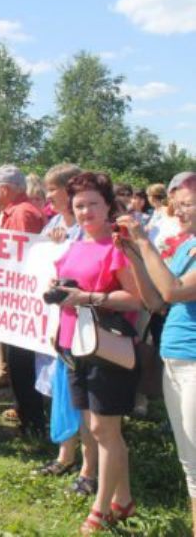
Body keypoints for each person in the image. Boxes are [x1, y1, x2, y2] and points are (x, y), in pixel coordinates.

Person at [49, 171, 143, 533]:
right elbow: (66, 288)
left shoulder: (117, 247)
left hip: (108, 347)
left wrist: (86, 297)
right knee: (96, 428)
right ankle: (124, 499)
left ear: (108, 206)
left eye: (92, 204)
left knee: (105, 428)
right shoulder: (74, 244)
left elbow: (134, 299)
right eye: (79, 205)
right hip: (75, 344)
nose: (85, 211)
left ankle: (101, 509)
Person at [117, 174, 196, 535]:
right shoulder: (187, 247)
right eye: (177, 204)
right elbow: (155, 301)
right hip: (175, 361)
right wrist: (133, 255)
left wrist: (143, 240)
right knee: (189, 464)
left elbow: (174, 289)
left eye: (189, 204)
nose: (181, 211)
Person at [32, 164, 100, 497]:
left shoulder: (90, 232)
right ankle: (66, 454)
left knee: (84, 399)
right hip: (59, 324)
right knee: (64, 391)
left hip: (86, 328)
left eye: (53, 190)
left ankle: (90, 467)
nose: (48, 196)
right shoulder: (53, 226)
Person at [0, 164, 47, 439]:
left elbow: (22, 257)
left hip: (21, 300)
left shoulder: (22, 214)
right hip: (15, 298)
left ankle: (32, 423)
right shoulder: (18, 211)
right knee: (18, 362)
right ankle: (26, 414)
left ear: (6, 189)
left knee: (22, 364)